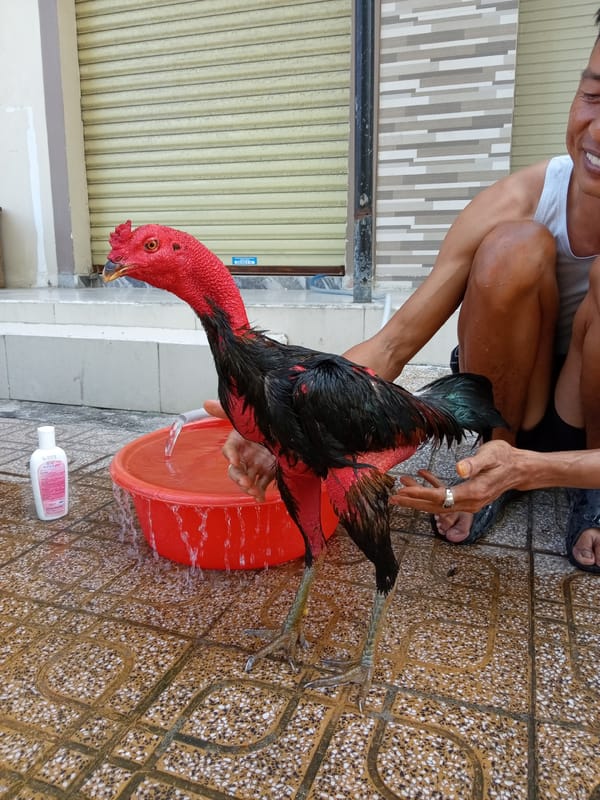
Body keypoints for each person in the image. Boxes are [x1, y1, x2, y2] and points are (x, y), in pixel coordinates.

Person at [208, 10, 600, 574]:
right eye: (594, 93)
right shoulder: (520, 196)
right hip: (514, 394)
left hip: (586, 406)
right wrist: (287, 430)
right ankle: (496, 454)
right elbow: (393, 346)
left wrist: (535, 469)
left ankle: (585, 485)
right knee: (512, 247)